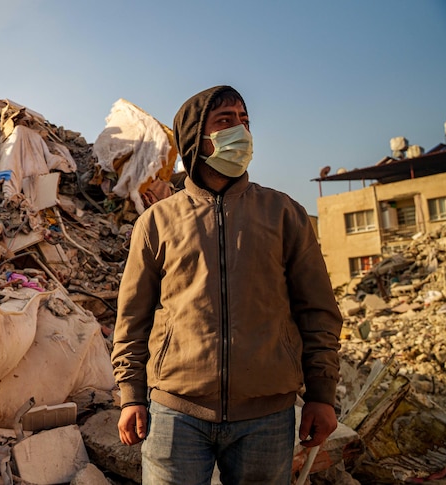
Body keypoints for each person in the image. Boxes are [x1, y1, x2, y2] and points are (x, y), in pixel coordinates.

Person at [110, 85, 343, 484]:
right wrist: (131, 396)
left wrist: (321, 394)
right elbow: (133, 318)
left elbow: (317, 311)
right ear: (195, 138)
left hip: (267, 417)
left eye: (245, 121)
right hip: (176, 412)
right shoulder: (157, 222)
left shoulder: (284, 214)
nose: (241, 131)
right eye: (225, 121)